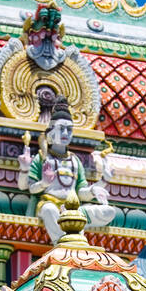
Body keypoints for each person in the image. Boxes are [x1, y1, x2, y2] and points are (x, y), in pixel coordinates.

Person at [18, 97, 115, 243]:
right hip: (49, 205)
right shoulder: (43, 158)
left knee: (109, 212)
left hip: (72, 209)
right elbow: (30, 188)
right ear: (51, 133)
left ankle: (74, 237)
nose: (65, 133)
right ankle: (64, 245)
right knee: (50, 210)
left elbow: (81, 193)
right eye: (61, 128)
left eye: (69, 129)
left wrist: (101, 183)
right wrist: (44, 182)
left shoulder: (75, 161)